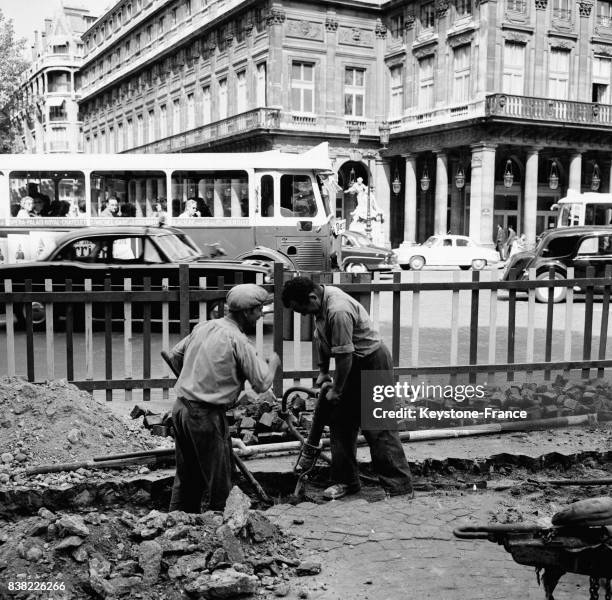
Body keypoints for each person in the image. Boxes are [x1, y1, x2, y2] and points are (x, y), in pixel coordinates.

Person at [282, 277, 413, 501]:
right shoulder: (320, 304)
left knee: (378, 426)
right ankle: (346, 481)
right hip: (353, 362)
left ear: (312, 297)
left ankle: (399, 488)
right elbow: (320, 339)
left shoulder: (338, 310)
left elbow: (344, 356)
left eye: (301, 309)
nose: (302, 314)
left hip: (372, 361)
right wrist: (323, 371)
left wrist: (337, 389)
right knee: (340, 421)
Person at [166, 283, 281, 512]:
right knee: (220, 481)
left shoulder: (204, 327)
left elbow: (175, 356)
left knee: (187, 478)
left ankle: (176, 524)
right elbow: (261, 384)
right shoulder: (238, 340)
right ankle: (223, 528)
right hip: (205, 416)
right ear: (247, 312)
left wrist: (195, 380)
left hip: (180, 409)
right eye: (259, 310)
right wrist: (274, 364)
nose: (261, 316)